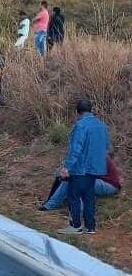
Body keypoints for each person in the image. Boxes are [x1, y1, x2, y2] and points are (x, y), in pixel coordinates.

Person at [56, 100, 110, 235]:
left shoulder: (80, 126)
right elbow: (106, 146)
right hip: (95, 168)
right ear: (91, 110)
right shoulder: (101, 125)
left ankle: (75, 226)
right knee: (89, 197)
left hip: (81, 168)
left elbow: (76, 149)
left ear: (77, 112)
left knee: (73, 196)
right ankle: (90, 226)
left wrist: (67, 167)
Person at [40, 153, 121, 211]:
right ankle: (50, 204)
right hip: (97, 181)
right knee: (69, 180)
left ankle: (79, 212)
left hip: (109, 184)